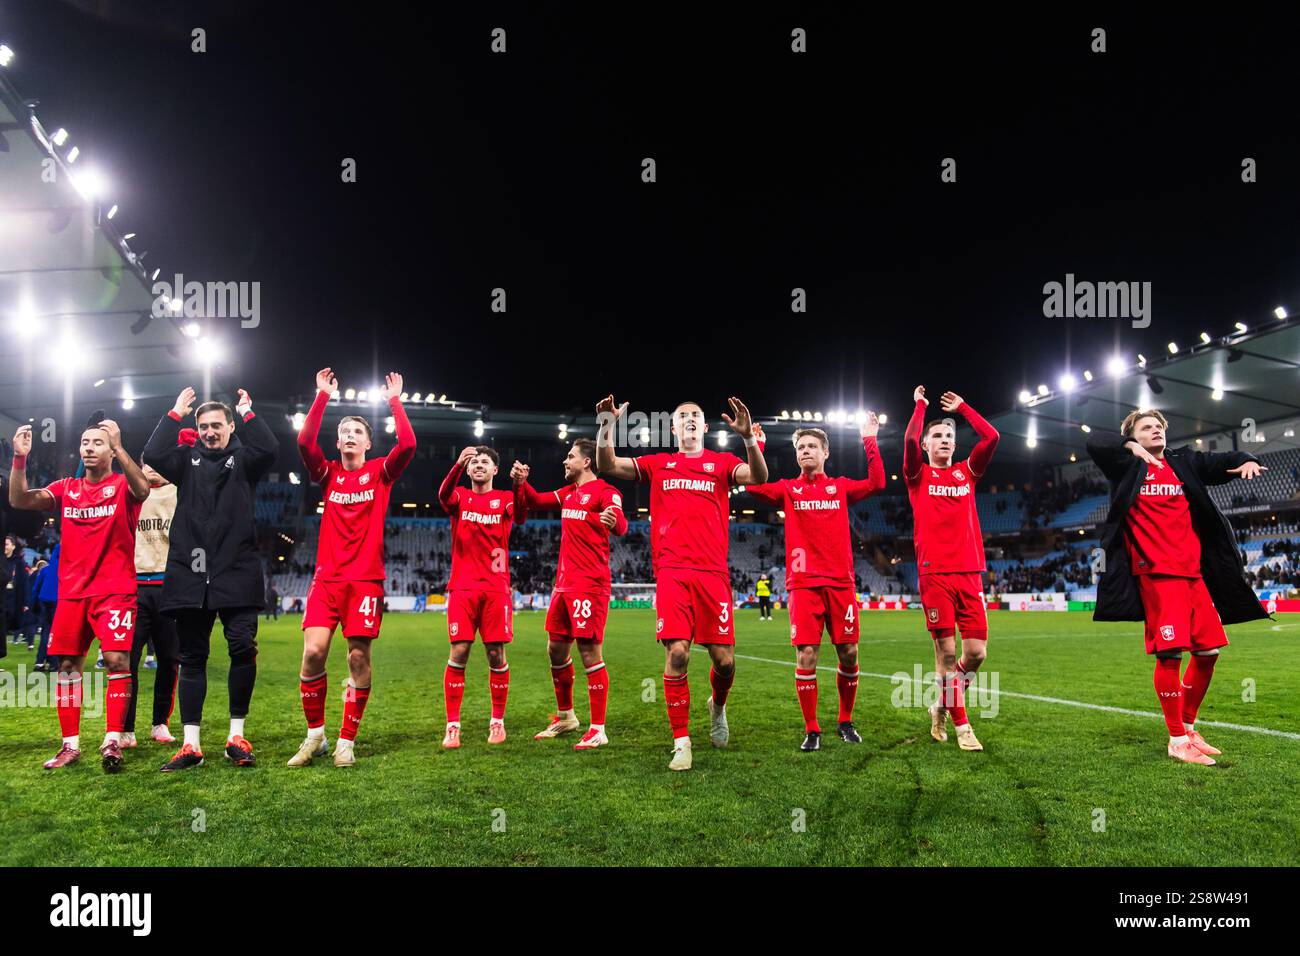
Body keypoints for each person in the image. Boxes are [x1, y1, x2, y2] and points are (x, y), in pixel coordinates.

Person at [596, 395, 767, 771]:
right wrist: (607, 425)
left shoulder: (721, 463)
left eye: (695, 416)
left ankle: (717, 707)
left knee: (725, 662)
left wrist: (749, 440)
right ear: (673, 428)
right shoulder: (659, 464)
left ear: (705, 428)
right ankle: (681, 741)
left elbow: (758, 478)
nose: (689, 420)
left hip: (714, 575)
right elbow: (606, 463)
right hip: (672, 571)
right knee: (678, 653)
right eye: (682, 416)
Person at [1087, 408, 1267, 765]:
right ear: (1133, 435)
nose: (1155, 431)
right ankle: (1175, 738)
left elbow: (1222, 460)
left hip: (1193, 574)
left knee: (1209, 653)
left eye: (1159, 427)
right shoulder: (1125, 466)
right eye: (1146, 428)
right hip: (1155, 573)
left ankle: (1187, 726)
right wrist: (1129, 447)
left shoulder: (1183, 462)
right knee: (1170, 653)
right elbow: (1093, 440)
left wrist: (1246, 458)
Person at [143, 386, 279, 772]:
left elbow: (270, 449)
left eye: (216, 425)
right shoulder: (185, 460)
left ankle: (236, 735)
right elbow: (152, 454)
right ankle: (191, 745)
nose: (209, 432)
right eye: (203, 426)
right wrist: (174, 414)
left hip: (236, 569)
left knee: (241, 647)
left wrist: (249, 411)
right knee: (192, 657)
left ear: (230, 427)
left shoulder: (246, 459)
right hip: (190, 571)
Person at [287, 368, 414, 767]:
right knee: (313, 653)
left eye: (357, 431)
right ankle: (315, 737)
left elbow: (408, 444)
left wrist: (396, 400)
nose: (348, 435)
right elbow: (304, 440)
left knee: (357, 659)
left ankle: (346, 740)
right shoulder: (328, 474)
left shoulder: (380, 473)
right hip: (327, 580)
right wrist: (322, 395)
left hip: (364, 582)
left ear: (368, 442)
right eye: (343, 431)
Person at [9, 418, 150, 771]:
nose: (88, 447)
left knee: (118, 662)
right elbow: (19, 499)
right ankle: (70, 746)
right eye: (85, 442)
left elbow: (144, 490)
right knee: (68, 667)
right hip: (72, 594)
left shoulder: (122, 486)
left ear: (110, 450)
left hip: (115, 591)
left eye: (97, 443)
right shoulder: (66, 488)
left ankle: (112, 741)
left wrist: (119, 445)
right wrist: (19, 458)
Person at [744, 414, 885, 751]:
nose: (805, 451)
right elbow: (753, 486)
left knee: (848, 653)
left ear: (825, 453)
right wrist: (757, 444)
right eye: (800, 447)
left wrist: (870, 440)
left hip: (840, 583)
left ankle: (846, 721)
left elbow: (877, 483)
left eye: (812, 446)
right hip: (803, 585)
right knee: (806, 655)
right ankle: (812, 729)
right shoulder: (788, 490)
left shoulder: (840, 488)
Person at [510, 437, 627, 750]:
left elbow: (622, 526)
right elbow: (534, 501)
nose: (565, 461)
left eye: (570, 456)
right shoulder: (568, 493)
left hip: (589, 584)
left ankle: (598, 728)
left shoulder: (606, 491)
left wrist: (613, 521)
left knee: (590, 653)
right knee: (556, 649)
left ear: (586, 462)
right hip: (563, 585)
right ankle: (566, 716)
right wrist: (522, 483)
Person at [904, 386, 999, 752]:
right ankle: (962, 725)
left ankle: (942, 704)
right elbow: (910, 437)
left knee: (976, 653)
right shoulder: (917, 477)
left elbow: (992, 436)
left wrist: (964, 408)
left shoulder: (967, 474)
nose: (943, 440)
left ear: (955, 445)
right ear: (927, 446)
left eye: (948, 437)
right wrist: (921, 407)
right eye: (937, 437)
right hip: (934, 576)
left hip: (970, 573)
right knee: (945, 655)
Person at [438, 445, 521, 748]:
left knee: (495, 654)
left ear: (495, 470)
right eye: (474, 462)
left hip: (496, 587)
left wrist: (519, 485)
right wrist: (456, 465)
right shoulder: (460, 496)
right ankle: (452, 725)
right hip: (462, 587)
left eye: (484, 462)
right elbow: (443, 496)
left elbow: (522, 513)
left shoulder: (505, 500)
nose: (478, 465)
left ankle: (497, 721)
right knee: (458, 652)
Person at [125, 457, 185, 748]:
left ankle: (160, 722)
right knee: (127, 660)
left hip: (168, 586)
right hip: (133, 586)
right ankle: (125, 727)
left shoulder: (179, 492)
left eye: (154, 464)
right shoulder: (130, 492)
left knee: (169, 660)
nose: (148, 469)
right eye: (144, 464)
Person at [32, 543, 59, 671]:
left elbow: (35, 589)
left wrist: (32, 606)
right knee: (56, 633)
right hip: (58, 602)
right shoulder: (66, 569)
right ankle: (53, 663)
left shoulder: (45, 570)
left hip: (44, 602)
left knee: (45, 632)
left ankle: (39, 662)